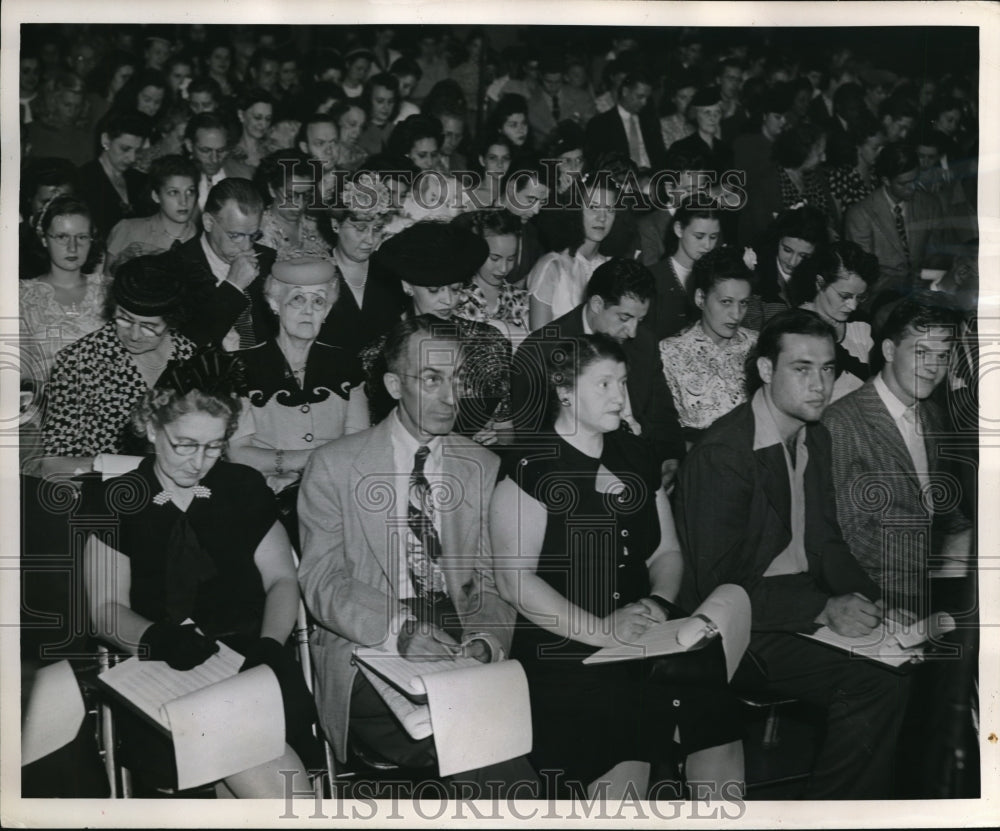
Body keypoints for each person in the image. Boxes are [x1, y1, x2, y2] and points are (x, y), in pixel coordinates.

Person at [493, 332, 744, 799]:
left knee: (711, 708)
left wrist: (656, 602)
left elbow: (665, 551)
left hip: (644, 632)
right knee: (621, 738)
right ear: (564, 390)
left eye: (623, 383)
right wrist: (605, 632)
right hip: (568, 649)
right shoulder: (530, 465)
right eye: (604, 384)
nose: (620, 397)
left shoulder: (635, 454)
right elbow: (515, 583)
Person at [675, 308, 910, 799]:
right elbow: (718, 589)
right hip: (737, 628)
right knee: (876, 682)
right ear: (765, 370)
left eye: (827, 369)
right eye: (801, 368)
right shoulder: (725, 453)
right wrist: (823, 608)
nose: (820, 384)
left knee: (912, 661)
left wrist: (874, 597)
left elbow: (825, 543)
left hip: (797, 608)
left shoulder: (813, 436)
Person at [297, 315, 536, 793]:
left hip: (459, 642)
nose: (451, 397)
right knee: (484, 736)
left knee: (494, 726)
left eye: (458, 379)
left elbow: (491, 585)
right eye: (432, 379)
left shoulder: (482, 466)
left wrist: (487, 641)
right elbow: (323, 583)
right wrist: (398, 631)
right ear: (392, 384)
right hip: (370, 647)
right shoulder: (334, 465)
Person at [82, 350, 313, 797]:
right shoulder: (114, 500)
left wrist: (269, 646)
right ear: (151, 429)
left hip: (252, 661)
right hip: (164, 668)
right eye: (184, 445)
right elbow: (105, 610)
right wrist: (158, 638)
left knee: (246, 754)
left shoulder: (242, 487)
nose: (198, 462)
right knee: (251, 756)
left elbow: (282, 580)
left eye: (212, 447)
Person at [823, 293, 970, 608]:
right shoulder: (843, 423)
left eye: (942, 356)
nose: (933, 367)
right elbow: (853, 538)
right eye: (922, 352)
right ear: (889, 350)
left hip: (936, 581)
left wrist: (966, 533)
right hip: (882, 594)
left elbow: (938, 501)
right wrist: (942, 553)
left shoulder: (931, 412)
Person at [230, 258, 368, 547]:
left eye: (318, 301)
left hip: (335, 496)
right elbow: (238, 454)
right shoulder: (242, 366)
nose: (308, 310)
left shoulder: (346, 364)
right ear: (275, 304)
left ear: (328, 310)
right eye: (297, 300)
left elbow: (359, 445)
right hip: (264, 498)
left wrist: (306, 473)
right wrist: (305, 464)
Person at [513, 258, 685, 488]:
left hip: (644, 462)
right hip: (579, 474)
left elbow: (661, 411)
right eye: (624, 318)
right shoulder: (541, 351)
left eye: (640, 320)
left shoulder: (644, 342)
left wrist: (669, 458)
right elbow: (533, 439)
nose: (633, 331)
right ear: (596, 304)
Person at [39, 255, 197, 479]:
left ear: (172, 320)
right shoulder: (79, 362)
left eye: (149, 327)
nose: (133, 335)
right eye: (124, 318)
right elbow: (53, 463)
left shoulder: (191, 357)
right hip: (108, 490)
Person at [361, 221, 513, 445]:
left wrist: (497, 438)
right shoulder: (380, 353)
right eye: (434, 290)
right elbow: (376, 437)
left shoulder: (489, 343)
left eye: (455, 289)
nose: (448, 300)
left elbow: (506, 429)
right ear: (407, 286)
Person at [160, 177, 276, 350]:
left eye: (253, 236)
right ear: (208, 222)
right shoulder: (174, 266)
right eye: (235, 235)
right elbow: (188, 342)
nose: (246, 247)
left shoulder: (267, 259)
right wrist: (234, 286)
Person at [659, 246, 757, 446]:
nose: (736, 314)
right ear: (700, 299)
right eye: (726, 302)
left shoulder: (758, 344)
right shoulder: (670, 352)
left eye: (744, 303)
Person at [20, 195, 107, 397]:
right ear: (44, 239)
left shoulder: (109, 290)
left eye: (82, 237)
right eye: (61, 237)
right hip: (43, 408)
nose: (72, 247)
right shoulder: (21, 296)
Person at [315, 173, 407, 359]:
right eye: (361, 228)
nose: (370, 240)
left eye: (378, 229)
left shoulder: (390, 274)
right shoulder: (316, 275)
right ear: (335, 224)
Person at [845, 142, 950, 297]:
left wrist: (926, 275)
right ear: (886, 180)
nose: (912, 187)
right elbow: (861, 275)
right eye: (903, 183)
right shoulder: (860, 215)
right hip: (879, 297)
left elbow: (937, 253)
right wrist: (902, 283)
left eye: (915, 179)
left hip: (924, 290)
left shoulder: (930, 204)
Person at [788, 240, 878, 401]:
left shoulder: (861, 327)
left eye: (860, 297)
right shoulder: (793, 327)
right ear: (820, 283)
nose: (853, 306)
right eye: (845, 296)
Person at [526, 176, 617, 329]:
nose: (602, 218)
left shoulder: (613, 268)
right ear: (574, 210)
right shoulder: (552, 266)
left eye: (610, 210)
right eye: (593, 207)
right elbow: (540, 340)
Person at [105, 154, 199, 274]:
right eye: (173, 192)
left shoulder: (204, 239)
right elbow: (106, 283)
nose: (184, 201)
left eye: (190, 192)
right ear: (156, 196)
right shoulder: (128, 230)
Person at [644, 199, 722, 342]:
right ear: (679, 229)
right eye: (699, 236)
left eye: (713, 237)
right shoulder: (651, 278)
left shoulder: (717, 279)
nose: (707, 245)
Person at [742, 205, 829, 331]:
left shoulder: (819, 278)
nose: (793, 262)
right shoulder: (755, 275)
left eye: (803, 256)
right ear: (776, 241)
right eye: (787, 250)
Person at [454, 209, 530, 347]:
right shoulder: (455, 298)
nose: (503, 268)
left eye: (511, 259)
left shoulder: (521, 301)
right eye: (495, 258)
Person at [77, 111, 154, 237]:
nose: (132, 158)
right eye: (125, 149)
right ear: (105, 140)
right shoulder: (83, 180)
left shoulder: (140, 180)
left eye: (138, 151)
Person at [253, 149, 330, 259]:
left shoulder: (317, 227)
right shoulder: (257, 232)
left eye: (306, 195)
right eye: (290, 196)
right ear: (271, 189)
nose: (300, 205)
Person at [584, 70, 666, 173]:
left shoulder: (650, 121)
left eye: (647, 98)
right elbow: (599, 163)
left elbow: (660, 158)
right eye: (640, 97)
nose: (644, 102)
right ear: (625, 92)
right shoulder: (600, 124)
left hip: (652, 178)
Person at [230, 88, 275, 173]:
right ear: (241, 115)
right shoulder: (229, 156)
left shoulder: (272, 152)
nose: (263, 124)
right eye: (257, 117)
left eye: (268, 119)